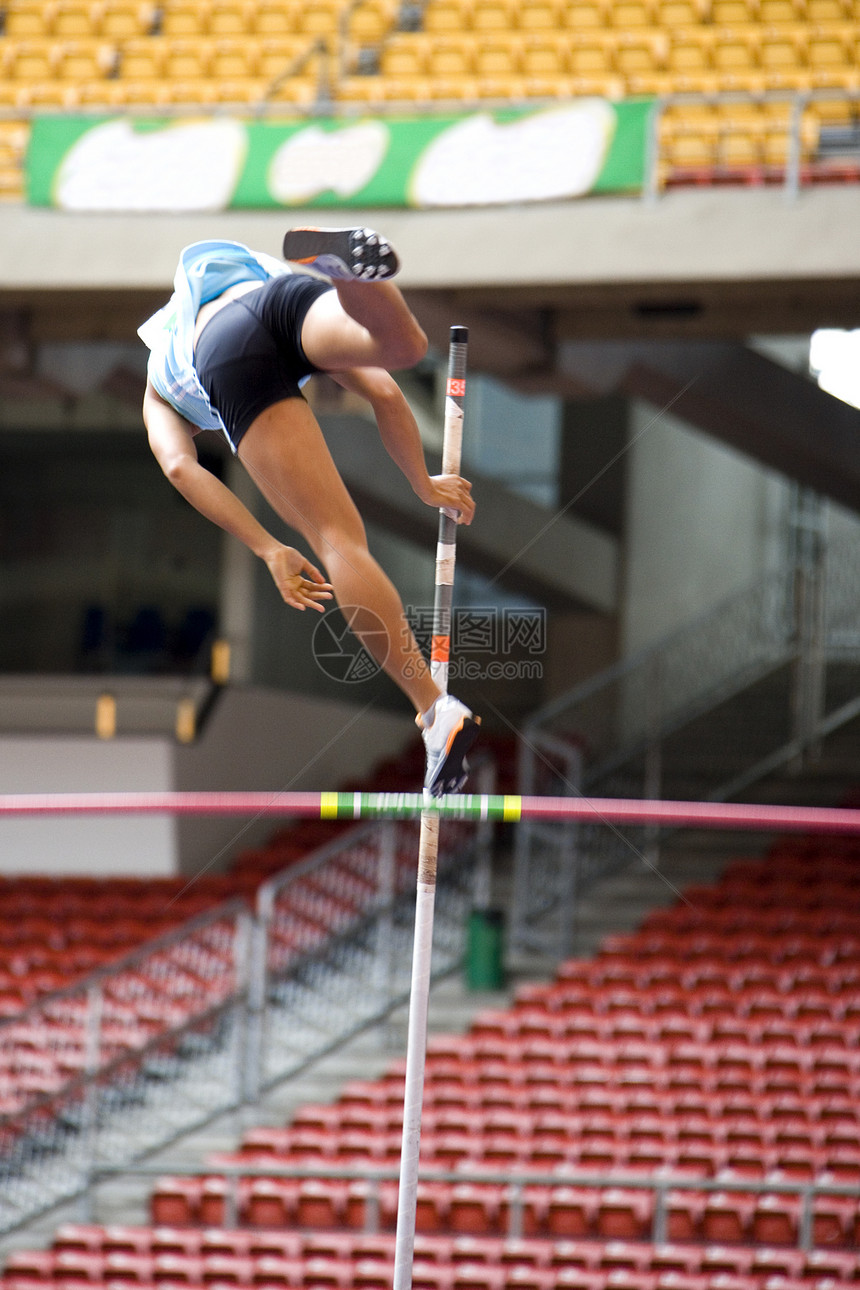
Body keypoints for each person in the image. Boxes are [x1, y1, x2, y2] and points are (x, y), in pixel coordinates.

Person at [138, 226, 480, 796]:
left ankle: (434, 713)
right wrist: (421, 482)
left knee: (336, 540)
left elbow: (180, 466)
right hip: (279, 296)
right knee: (403, 348)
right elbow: (388, 394)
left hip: (225, 351)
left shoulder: (159, 382)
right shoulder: (237, 281)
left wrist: (269, 547)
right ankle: (344, 274)